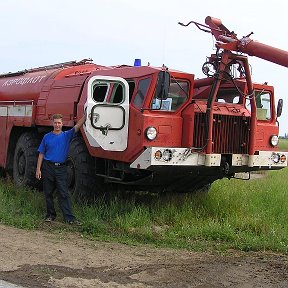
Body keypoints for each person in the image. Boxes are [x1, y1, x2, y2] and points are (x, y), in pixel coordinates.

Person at [36, 113, 86, 224]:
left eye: (59, 123)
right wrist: (38, 169)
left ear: (62, 124)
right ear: (52, 123)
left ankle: (69, 218)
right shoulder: (46, 137)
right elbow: (41, 154)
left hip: (61, 169)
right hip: (48, 167)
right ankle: (50, 215)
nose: (57, 125)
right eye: (55, 123)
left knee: (63, 193)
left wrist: (87, 114)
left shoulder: (66, 135)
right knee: (48, 193)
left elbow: (77, 126)